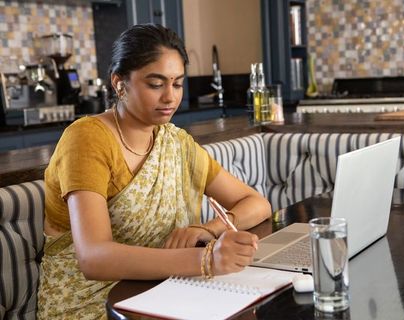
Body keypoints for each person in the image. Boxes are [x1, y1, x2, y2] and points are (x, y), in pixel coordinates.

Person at [37, 24, 271, 319]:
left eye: (176, 83)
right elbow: (93, 259)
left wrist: (207, 230)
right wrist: (206, 260)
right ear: (120, 84)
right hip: (92, 304)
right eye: (155, 84)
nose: (170, 97)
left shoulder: (175, 143)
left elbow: (257, 204)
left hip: (164, 289)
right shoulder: (87, 139)